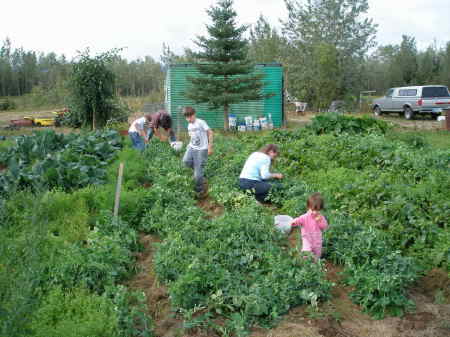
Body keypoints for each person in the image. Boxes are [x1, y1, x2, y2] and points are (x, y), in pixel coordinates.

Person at [182, 107, 213, 197]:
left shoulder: (200, 122)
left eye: (190, 117)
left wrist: (210, 147)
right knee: (185, 161)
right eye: (186, 117)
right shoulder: (189, 125)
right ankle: (199, 173)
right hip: (192, 147)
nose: (188, 119)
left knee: (198, 173)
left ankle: (200, 190)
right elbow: (192, 137)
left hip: (202, 149)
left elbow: (210, 133)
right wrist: (188, 146)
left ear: (194, 114)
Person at [291, 193, 328, 261]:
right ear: (308, 207)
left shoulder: (321, 218)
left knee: (317, 254)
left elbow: (325, 226)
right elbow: (299, 220)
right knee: (306, 252)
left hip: (317, 240)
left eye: (317, 210)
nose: (315, 212)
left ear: (321, 209)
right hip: (307, 239)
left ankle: (316, 264)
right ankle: (306, 264)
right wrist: (294, 222)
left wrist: (320, 221)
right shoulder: (305, 217)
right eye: (313, 209)